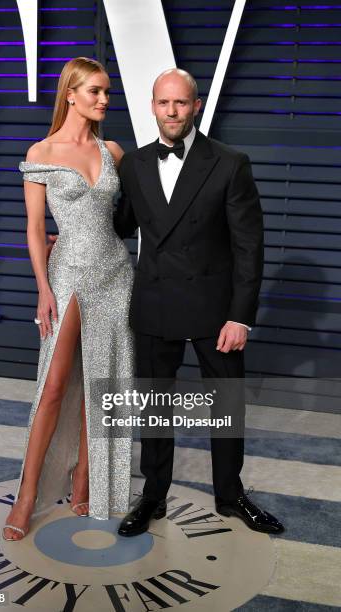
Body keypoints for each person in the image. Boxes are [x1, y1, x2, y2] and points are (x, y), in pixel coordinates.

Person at [113, 68, 285, 537]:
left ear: (196, 106)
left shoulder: (230, 162)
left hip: (216, 308)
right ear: (153, 107)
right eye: (164, 103)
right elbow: (121, 225)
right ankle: (152, 497)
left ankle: (231, 496)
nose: (172, 112)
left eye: (181, 103)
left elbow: (250, 246)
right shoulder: (134, 164)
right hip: (155, 299)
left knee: (227, 405)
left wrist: (240, 317)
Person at [2, 57, 134, 541]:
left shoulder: (114, 151)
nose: (104, 100)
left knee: (101, 378)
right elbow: (35, 229)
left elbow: (132, 218)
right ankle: (27, 496)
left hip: (116, 272)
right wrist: (43, 288)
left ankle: (85, 476)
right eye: (96, 91)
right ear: (71, 94)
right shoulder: (42, 152)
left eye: (106, 92)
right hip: (68, 275)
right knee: (54, 385)